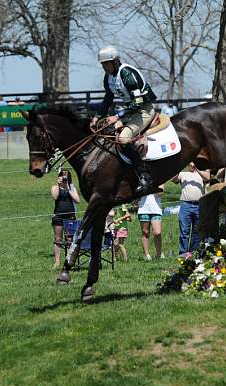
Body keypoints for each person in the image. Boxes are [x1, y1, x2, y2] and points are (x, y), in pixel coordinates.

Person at [90, 45, 157, 194]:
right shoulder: (108, 77)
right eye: (102, 64)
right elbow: (108, 98)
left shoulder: (127, 73)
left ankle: (143, 176)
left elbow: (138, 102)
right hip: (130, 112)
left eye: (106, 63)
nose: (104, 67)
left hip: (144, 110)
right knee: (106, 131)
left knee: (124, 138)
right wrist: (97, 117)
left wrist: (118, 116)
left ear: (115, 61)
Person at [171, 162, 210, 255]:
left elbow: (208, 177)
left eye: (193, 164)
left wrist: (197, 168)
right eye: (190, 164)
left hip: (198, 205)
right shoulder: (183, 174)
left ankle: (193, 252)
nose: (192, 165)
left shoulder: (200, 173)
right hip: (186, 205)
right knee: (184, 231)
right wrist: (179, 167)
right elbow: (173, 179)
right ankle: (183, 253)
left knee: (196, 231)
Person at [50, 170, 80, 269]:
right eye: (62, 176)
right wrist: (59, 185)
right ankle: (57, 261)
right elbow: (55, 196)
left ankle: (69, 260)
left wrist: (68, 188)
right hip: (58, 216)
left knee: (70, 239)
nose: (64, 179)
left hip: (70, 216)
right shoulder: (55, 187)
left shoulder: (72, 187)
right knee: (58, 239)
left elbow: (77, 200)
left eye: (66, 177)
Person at [137, 189, 164, 261]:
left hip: (156, 209)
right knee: (145, 232)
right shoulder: (141, 179)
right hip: (143, 209)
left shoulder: (158, 179)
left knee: (157, 232)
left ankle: (159, 254)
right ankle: (146, 255)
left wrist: (151, 187)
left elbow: (160, 193)